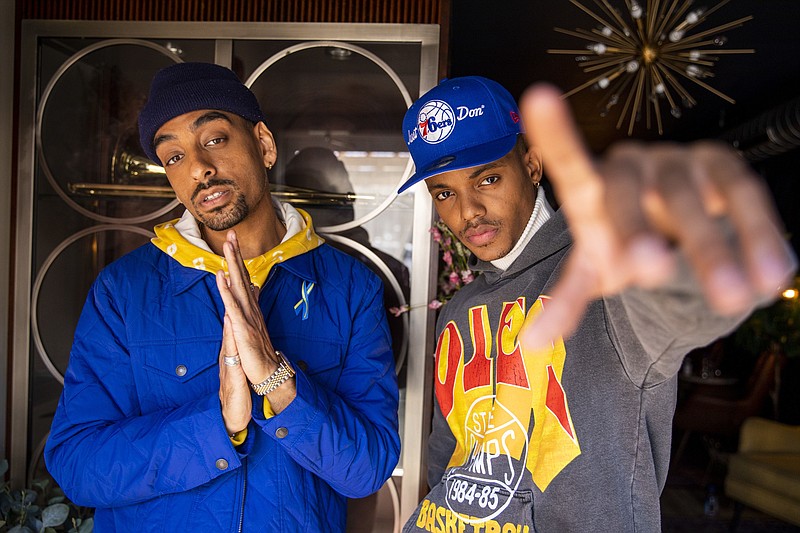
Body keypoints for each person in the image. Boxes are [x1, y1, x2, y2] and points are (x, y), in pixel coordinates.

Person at [399, 76, 797, 532]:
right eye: (444, 193)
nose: (467, 211)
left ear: (532, 165)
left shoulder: (605, 274)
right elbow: (445, 453)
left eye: (487, 179)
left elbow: (675, 306)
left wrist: (700, 248)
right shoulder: (459, 308)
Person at [44, 62, 400, 532]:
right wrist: (219, 424)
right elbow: (77, 463)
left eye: (214, 139)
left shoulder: (350, 287)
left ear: (265, 145)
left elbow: (367, 468)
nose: (198, 168)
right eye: (173, 157)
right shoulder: (124, 292)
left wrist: (278, 382)